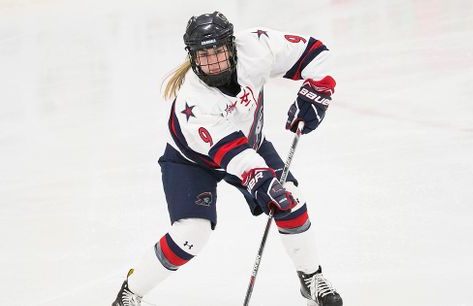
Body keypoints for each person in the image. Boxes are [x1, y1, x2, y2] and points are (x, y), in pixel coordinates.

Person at [112, 11, 342, 306]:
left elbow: (315, 53)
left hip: (249, 143)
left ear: (231, 46)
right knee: (192, 234)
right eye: (204, 55)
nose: (213, 62)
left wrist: (319, 88)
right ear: (193, 58)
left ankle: (311, 279)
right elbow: (232, 153)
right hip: (191, 161)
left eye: (218, 51)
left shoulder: (257, 47)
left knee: (291, 200)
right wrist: (261, 180)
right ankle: (131, 291)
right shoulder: (194, 101)